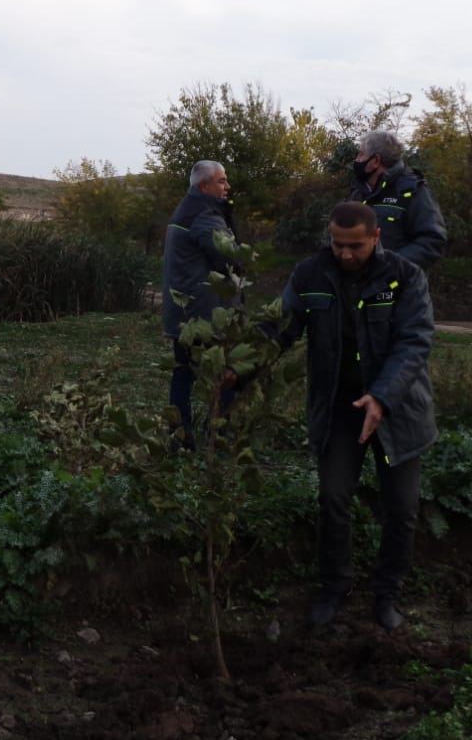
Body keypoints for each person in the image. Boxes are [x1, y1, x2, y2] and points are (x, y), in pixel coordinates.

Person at [277, 201, 436, 631]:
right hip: (340, 413)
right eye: (337, 244)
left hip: (396, 413)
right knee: (333, 499)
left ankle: (387, 594)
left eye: (355, 246)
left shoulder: (406, 278)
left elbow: (414, 342)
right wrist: (236, 367)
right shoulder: (311, 274)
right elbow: (279, 326)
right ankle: (334, 587)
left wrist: (381, 398)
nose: (345, 254)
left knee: (401, 508)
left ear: (376, 238)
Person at [161, 160, 239, 448]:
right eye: (221, 181)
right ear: (204, 186)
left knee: (183, 373)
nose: (227, 186)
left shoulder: (187, 209)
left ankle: (179, 437)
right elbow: (229, 256)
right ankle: (218, 436)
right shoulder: (205, 216)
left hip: (184, 311)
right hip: (205, 315)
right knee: (226, 373)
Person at [348, 130, 447, 269]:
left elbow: (432, 241)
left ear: (375, 160)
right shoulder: (357, 193)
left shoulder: (412, 191)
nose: (357, 159)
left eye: (361, 154)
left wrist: (389, 267)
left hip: (399, 288)